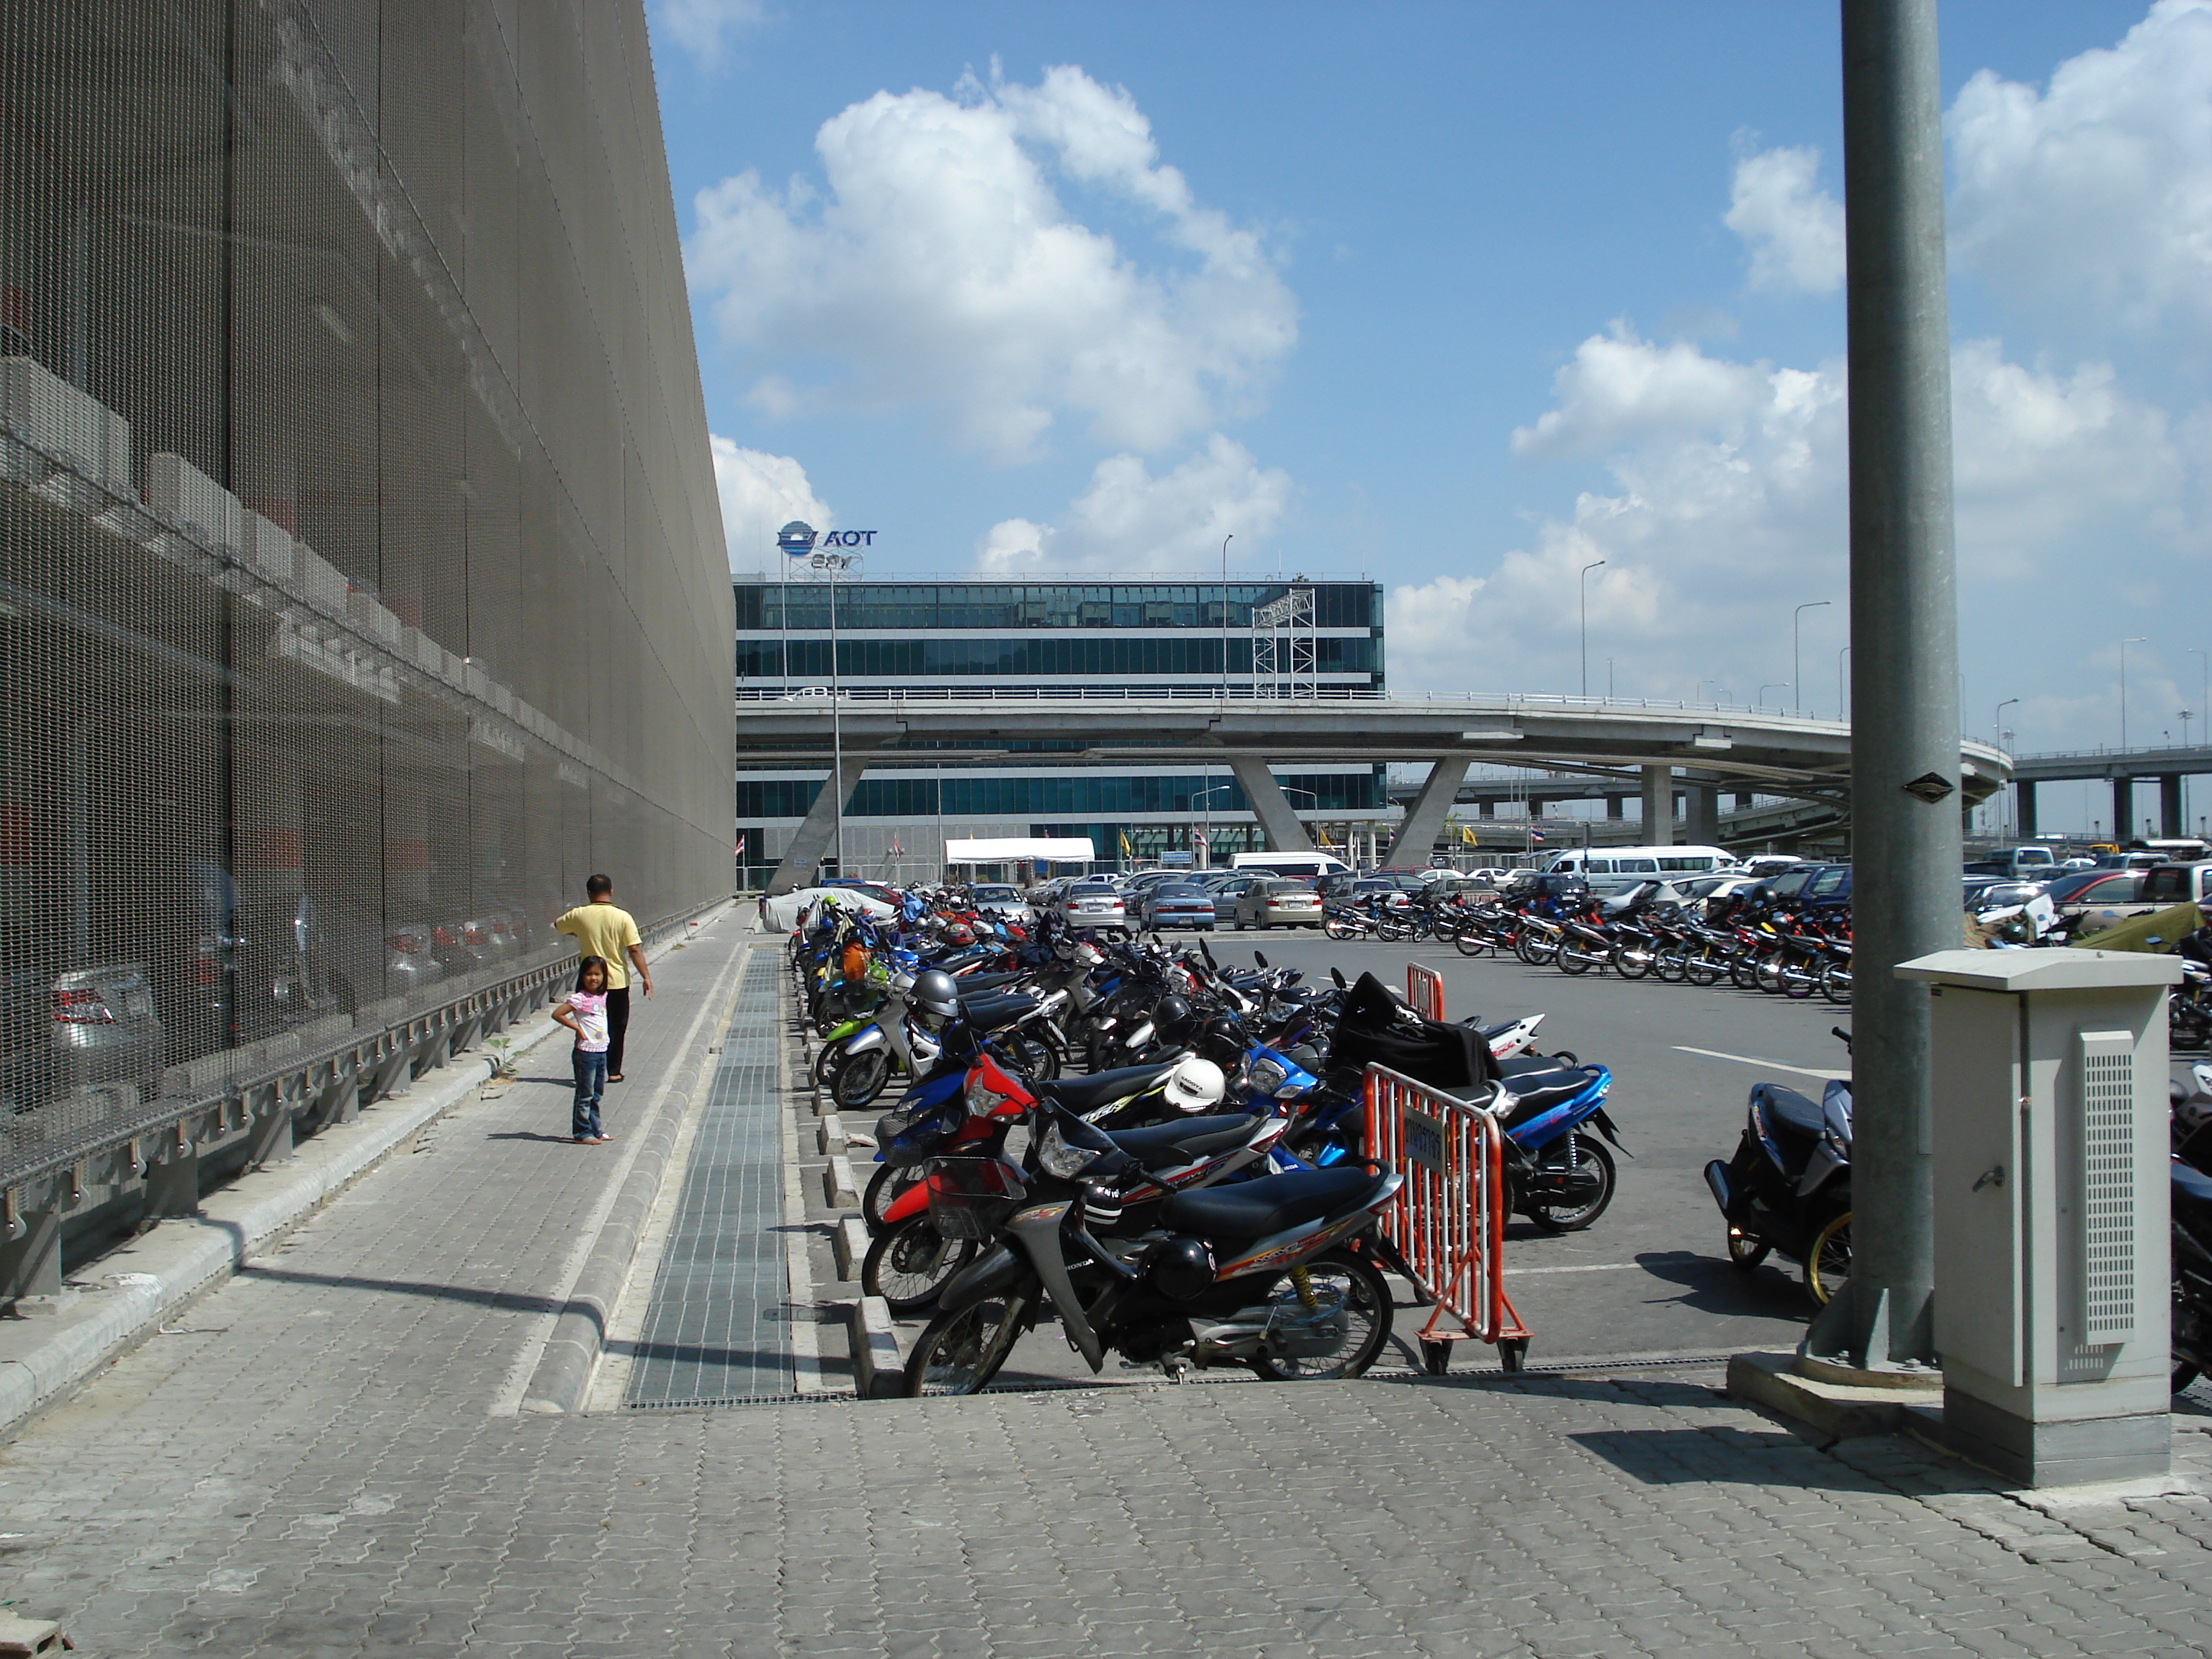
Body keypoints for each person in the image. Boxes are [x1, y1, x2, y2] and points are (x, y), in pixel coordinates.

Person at [554, 875, 651, 1079]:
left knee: (587, 1025)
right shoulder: (623, 917)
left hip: (590, 983)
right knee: (617, 1027)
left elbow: (558, 925)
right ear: (611, 891)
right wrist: (646, 977)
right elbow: (634, 949)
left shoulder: (579, 915)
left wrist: (579, 931)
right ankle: (613, 1072)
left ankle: (587, 1069)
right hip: (616, 982)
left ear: (589, 893)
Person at [552, 956, 612, 1143]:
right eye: (589, 974)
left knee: (596, 1093)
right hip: (586, 1053)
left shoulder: (602, 996)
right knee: (584, 1094)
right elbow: (558, 1014)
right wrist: (577, 1029)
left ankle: (595, 1128)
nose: (593, 978)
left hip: (601, 1051)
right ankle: (581, 1132)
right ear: (582, 976)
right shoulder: (579, 999)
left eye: (598, 974)